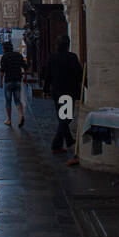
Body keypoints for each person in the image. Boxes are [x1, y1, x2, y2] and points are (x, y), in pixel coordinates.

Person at [45, 35, 83, 165]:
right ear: (67, 45)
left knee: (63, 117)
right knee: (66, 118)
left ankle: (64, 141)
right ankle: (61, 143)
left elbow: (48, 75)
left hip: (57, 91)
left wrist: (45, 90)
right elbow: (79, 73)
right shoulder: (72, 57)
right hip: (68, 91)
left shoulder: (52, 57)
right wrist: (85, 83)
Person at [0, 40, 26, 127]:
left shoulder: (4, 57)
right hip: (18, 80)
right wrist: (24, 76)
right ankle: (21, 115)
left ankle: (9, 120)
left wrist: (0, 82)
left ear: (5, 48)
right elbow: (25, 66)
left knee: (8, 101)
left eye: (2, 48)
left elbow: (2, 71)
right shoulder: (18, 55)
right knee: (17, 100)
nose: (2, 49)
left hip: (8, 81)